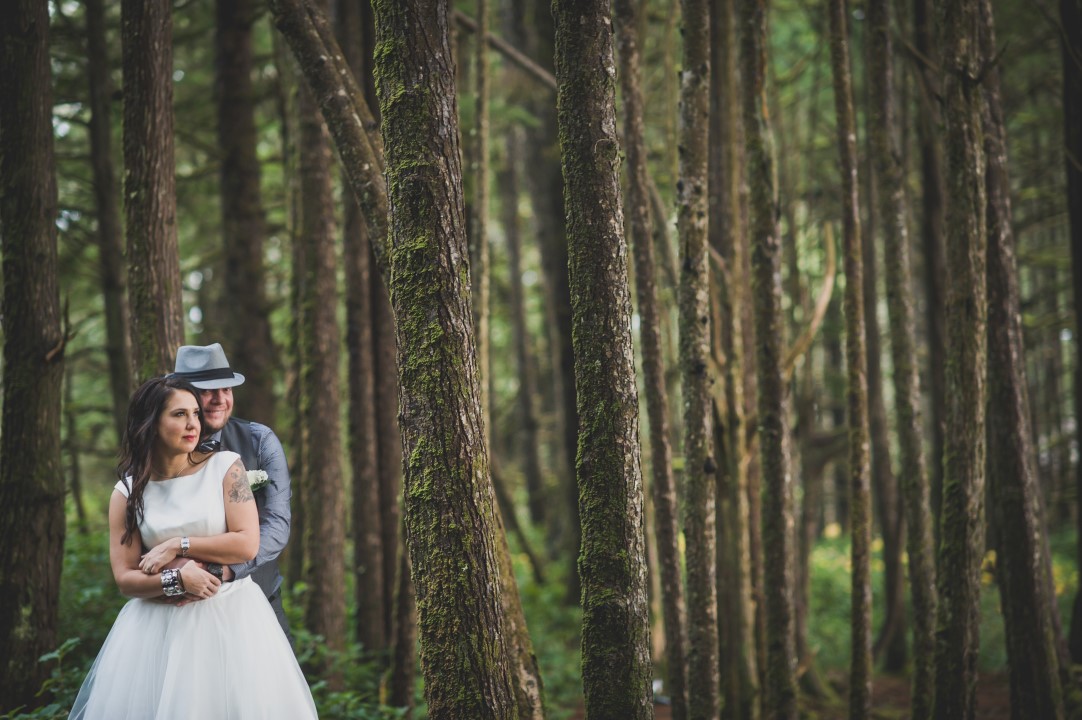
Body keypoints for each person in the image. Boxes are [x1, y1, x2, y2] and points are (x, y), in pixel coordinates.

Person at [68, 376, 317, 719]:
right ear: (151, 423)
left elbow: (246, 544)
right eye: (179, 414)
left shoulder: (227, 467)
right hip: (156, 630)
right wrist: (178, 581)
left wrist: (178, 545)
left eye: (196, 414)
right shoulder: (126, 492)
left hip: (233, 619)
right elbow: (125, 578)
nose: (193, 424)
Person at [167, 342, 293, 638]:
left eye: (227, 389)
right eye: (208, 389)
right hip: (181, 614)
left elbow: (277, 526)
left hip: (257, 607)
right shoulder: (159, 453)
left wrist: (220, 571)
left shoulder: (259, 441)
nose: (220, 399)